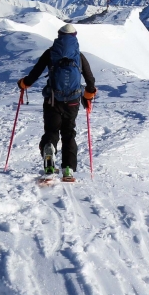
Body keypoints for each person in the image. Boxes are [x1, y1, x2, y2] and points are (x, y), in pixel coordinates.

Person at [17, 23, 97, 180]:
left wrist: (23, 83)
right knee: (68, 134)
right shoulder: (79, 56)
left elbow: (33, 75)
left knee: (51, 131)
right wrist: (88, 96)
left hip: (52, 100)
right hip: (73, 101)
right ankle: (68, 169)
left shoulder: (50, 53)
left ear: (59, 36)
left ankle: (49, 151)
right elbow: (90, 81)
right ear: (75, 37)